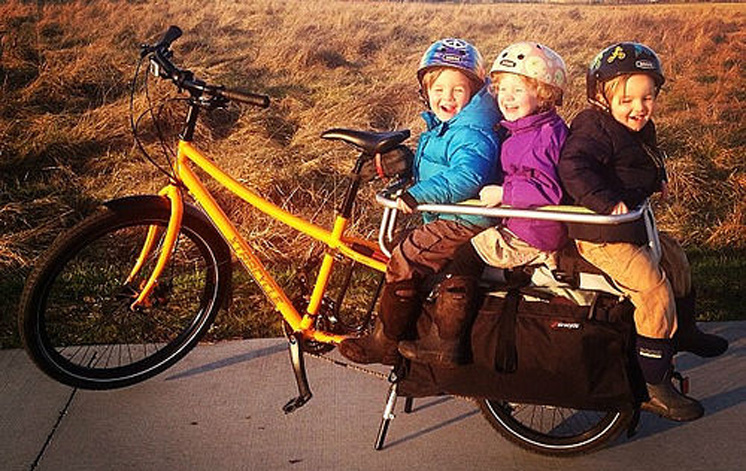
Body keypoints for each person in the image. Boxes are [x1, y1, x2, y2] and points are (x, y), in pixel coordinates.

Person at [558, 42, 728, 422]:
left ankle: (682, 330)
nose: (639, 108)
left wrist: (660, 178)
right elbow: (573, 167)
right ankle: (654, 385)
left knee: (676, 259)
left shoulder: (635, 126)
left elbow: (646, 156)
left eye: (647, 97)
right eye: (627, 100)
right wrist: (604, 201)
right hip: (601, 234)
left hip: (631, 220)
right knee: (652, 289)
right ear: (601, 97)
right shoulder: (594, 128)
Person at [398, 41, 570, 367]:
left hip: (530, 233)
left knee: (463, 256)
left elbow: (547, 189)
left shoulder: (539, 138)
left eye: (516, 90)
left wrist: (505, 194)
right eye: (501, 89)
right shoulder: (532, 128)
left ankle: (446, 343)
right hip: (524, 224)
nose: (504, 97)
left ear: (544, 94)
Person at [338, 38, 502, 365]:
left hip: (463, 220)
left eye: (457, 90)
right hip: (455, 219)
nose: (447, 98)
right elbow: (442, 165)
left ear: (473, 91)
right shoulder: (450, 127)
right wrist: (407, 164)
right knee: (409, 248)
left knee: (405, 258)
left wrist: (417, 195)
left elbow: (466, 177)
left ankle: (384, 342)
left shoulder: (472, 131)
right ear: (425, 92)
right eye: (438, 90)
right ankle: (427, 333)